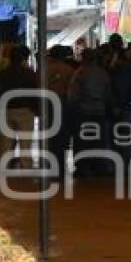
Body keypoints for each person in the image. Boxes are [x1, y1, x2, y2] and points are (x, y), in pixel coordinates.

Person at [68, 48, 114, 176]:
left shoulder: (80, 73)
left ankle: (82, 167)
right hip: (99, 112)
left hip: (82, 112)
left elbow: (73, 94)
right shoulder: (103, 73)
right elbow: (108, 93)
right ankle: (98, 166)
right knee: (98, 141)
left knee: (81, 141)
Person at [0, 45, 38, 169]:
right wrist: (35, 108)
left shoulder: (3, 73)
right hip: (25, 110)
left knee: (5, 142)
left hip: (6, 109)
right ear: (25, 58)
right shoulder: (30, 73)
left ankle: (4, 165)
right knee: (25, 142)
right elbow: (35, 91)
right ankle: (26, 165)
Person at [46, 45, 76, 176]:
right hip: (63, 103)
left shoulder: (45, 70)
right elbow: (72, 90)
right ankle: (60, 166)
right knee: (62, 136)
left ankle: (50, 165)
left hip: (47, 103)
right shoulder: (69, 70)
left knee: (49, 136)